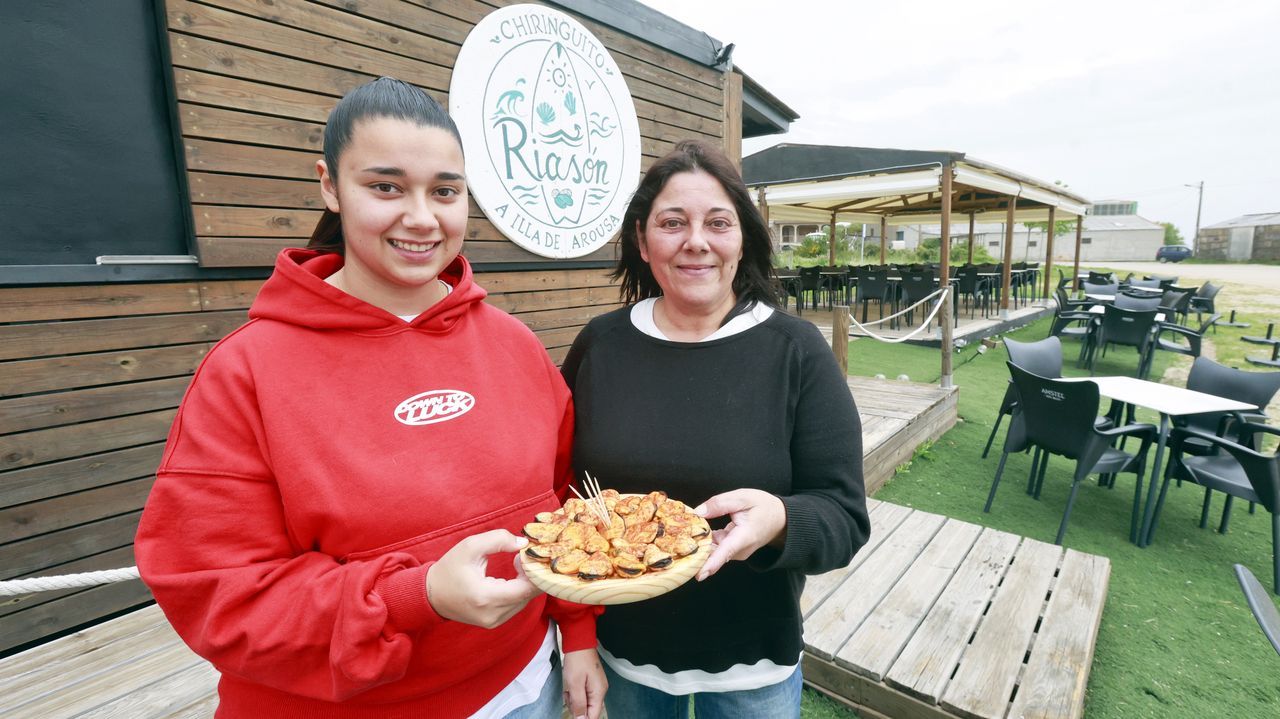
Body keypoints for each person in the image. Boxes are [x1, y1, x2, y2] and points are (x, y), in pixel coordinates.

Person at [135, 77, 606, 719]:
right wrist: (415, 596)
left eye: (444, 191)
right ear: (330, 185)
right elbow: (216, 591)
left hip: (526, 685)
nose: (421, 217)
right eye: (385, 187)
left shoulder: (514, 344)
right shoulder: (246, 370)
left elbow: (564, 506)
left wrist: (575, 632)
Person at [559, 139, 870, 718]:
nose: (696, 241)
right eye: (673, 222)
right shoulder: (600, 346)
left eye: (718, 222)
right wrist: (574, 638)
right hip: (624, 656)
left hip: (753, 664)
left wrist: (780, 519)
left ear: (743, 238)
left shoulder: (795, 351)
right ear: (642, 241)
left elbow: (844, 517)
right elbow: (561, 500)